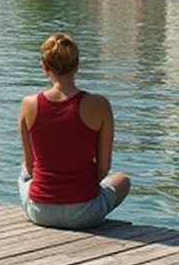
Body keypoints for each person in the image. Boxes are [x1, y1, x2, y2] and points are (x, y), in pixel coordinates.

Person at [18, 32, 130, 229]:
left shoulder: (29, 104)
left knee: (23, 173)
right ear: (77, 66)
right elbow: (103, 169)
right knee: (123, 180)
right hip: (85, 213)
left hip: (40, 211)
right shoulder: (100, 105)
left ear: (45, 67)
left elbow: (30, 165)